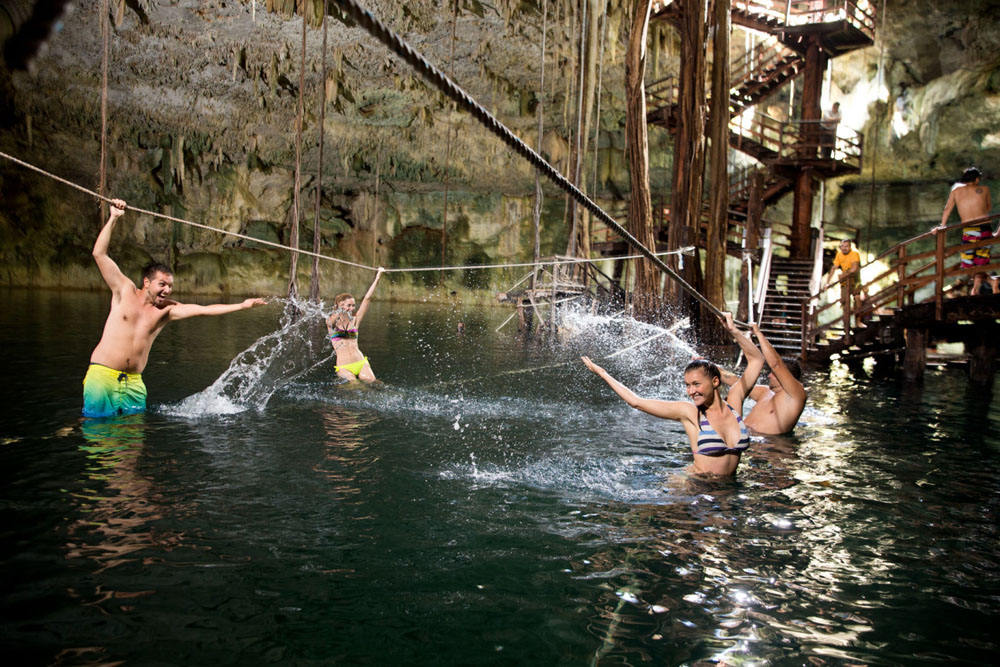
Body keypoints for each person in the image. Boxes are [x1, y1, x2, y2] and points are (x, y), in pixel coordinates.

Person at [84, 199, 267, 418]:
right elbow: (99, 254)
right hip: (103, 374)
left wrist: (242, 305)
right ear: (146, 282)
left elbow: (203, 310)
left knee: (130, 440)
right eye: (162, 284)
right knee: (96, 432)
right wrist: (114, 217)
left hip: (133, 383)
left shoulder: (166, 311)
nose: (167, 290)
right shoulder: (124, 290)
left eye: (170, 286)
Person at [580, 314, 763, 477]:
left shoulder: (735, 402)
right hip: (696, 488)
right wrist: (602, 373)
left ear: (715, 382)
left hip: (727, 492)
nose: (691, 391)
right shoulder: (690, 412)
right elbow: (636, 402)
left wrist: (734, 330)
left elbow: (757, 360)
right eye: (688, 385)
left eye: (696, 384)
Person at [721, 324, 806, 435]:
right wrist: (708, 366)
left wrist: (759, 334)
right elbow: (737, 382)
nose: (769, 376)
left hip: (769, 447)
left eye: (774, 374)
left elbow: (776, 364)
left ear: (785, 376)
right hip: (745, 439)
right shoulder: (765, 392)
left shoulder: (796, 395)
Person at [937, 167, 996, 295]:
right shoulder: (985, 189)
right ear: (976, 179)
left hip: (970, 230)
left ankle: (981, 286)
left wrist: (943, 225)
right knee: (981, 261)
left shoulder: (956, 191)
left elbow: (947, 209)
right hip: (985, 228)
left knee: (968, 262)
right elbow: (988, 208)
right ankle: (989, 282)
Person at [327, 268, 386, 382]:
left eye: (353, 305)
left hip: (360, 363)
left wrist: (378, 276)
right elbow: (328, 322)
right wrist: (339, 309)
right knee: (354, 386)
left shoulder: (355, 320)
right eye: (349, 305)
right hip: (344, 367)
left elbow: (367, 299)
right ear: (340, 305)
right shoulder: (332, 324)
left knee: (375, 383)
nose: (352, 308)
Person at [823, 238, 867, 322]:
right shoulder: (839, 255)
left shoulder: (854, 254)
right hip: (845, 281)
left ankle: (858, 321)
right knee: (844, 302)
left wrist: (843, 274)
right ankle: (846, 324)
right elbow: (833, 268)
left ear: (850, 246)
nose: (844, 248)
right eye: (842, 246)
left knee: (857, 299)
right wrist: (827, 282)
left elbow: (854, 268)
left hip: (855, 280)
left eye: (846, 246)